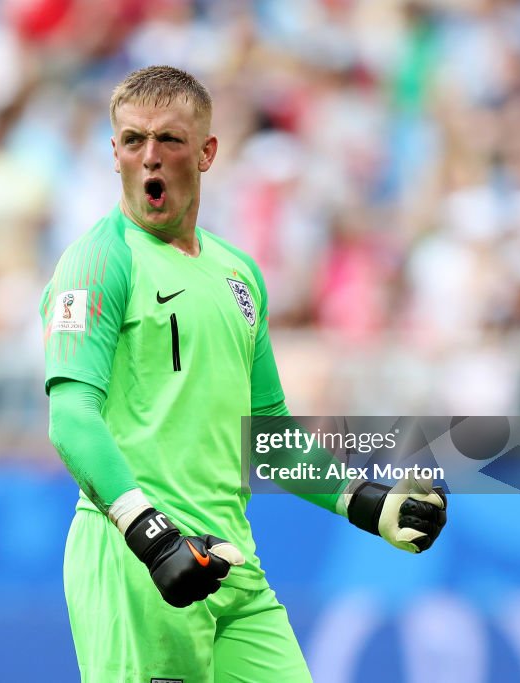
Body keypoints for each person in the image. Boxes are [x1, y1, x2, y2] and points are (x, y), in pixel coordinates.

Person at [40, 65, 447, 682]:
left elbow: (270, 432)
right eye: (132, 140)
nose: (149, 158)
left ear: (206, 153)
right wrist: (151, 537)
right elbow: (71, 417)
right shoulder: (98, 262)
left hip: (232, 565)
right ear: (114, 151)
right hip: (136, 562)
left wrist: (366, 503)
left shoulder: (239, 275)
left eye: (169, 140)